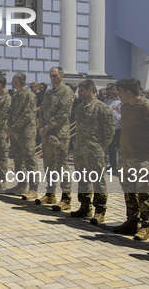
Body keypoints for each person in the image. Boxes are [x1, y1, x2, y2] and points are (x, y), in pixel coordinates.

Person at [114, 78, 149, 241]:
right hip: (125, 155)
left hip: (142, 157)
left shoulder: (147, 107)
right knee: (129, 191)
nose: (118, 95)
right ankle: (132, 220)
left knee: (144, 192)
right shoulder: (126, 106)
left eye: (120, 91)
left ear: (128, 92)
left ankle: (147, 226)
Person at [71, 80, 115, 225]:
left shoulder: (101, 108)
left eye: (82, 90)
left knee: (98, 181)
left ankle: (100, 211)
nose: (79, 93)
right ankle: (85, 206)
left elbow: (109, 132)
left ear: (90, 90)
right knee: (83, 180)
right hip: (80, 150)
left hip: (94, 151)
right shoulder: (79, 108)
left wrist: (101, 147)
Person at [36, 67, 74, 211]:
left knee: (61, 166)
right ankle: (50, 193)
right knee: (49, 165)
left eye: (55, 76)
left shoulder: (66, 92)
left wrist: (47, 127)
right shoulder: (49, 92)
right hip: (46, 134)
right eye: (51, 76)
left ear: (62, 76)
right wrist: (42, 127)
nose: (52, 78)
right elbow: (43, 110)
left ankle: (66, 198)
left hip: (60, 135)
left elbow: (63, 114)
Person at [6, 73, 38, 199]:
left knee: (29, 160)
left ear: (18, 81)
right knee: (18, 159)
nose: (12, 81)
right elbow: (10, 112)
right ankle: (21, 184)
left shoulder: (29, 95)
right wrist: (10, 128)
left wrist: (14, 128)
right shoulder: (15, 95)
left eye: (13, 79)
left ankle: (33, 188)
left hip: (26, 133)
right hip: (15, 132)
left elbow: (27, 115)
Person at [105, 84, 122, 171]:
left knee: (120, 147)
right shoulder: (107, 101)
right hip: (109, 128)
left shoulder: (121, 102)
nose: (112, 91)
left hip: (119, 127)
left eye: (114, 90)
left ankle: (120, 165)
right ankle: (113, 165)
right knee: (110, 148)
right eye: (111, 90)